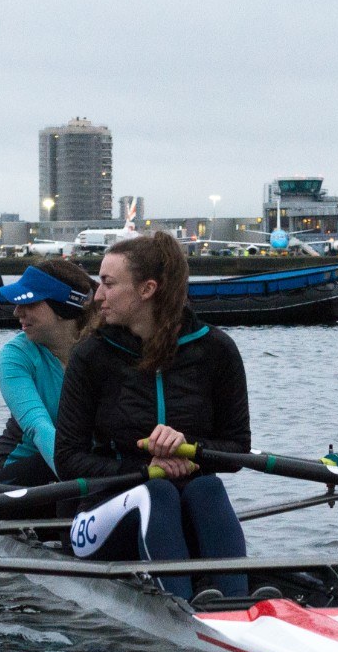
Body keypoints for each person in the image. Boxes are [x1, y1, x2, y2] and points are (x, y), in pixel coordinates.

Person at [50, 231, 252, 604]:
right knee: (154, 492)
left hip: (183, 505)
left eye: (108, 284)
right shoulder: (92, 355)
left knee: (208, 487)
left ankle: (234, 610)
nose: (98, 295)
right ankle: (180, 613)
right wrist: (146, 469)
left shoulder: (216, 350)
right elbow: (68, 459)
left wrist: (192, 454)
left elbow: (238, 447)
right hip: (100, 515)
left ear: (146, 290)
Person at [0, 257, 95, 486]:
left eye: (29, 303)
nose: (16, 312)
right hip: (15, 473)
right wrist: (85, 483)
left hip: (81, 466)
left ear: (62, 309)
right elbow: (38, 427)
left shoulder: (100, 349)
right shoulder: (14, 356)